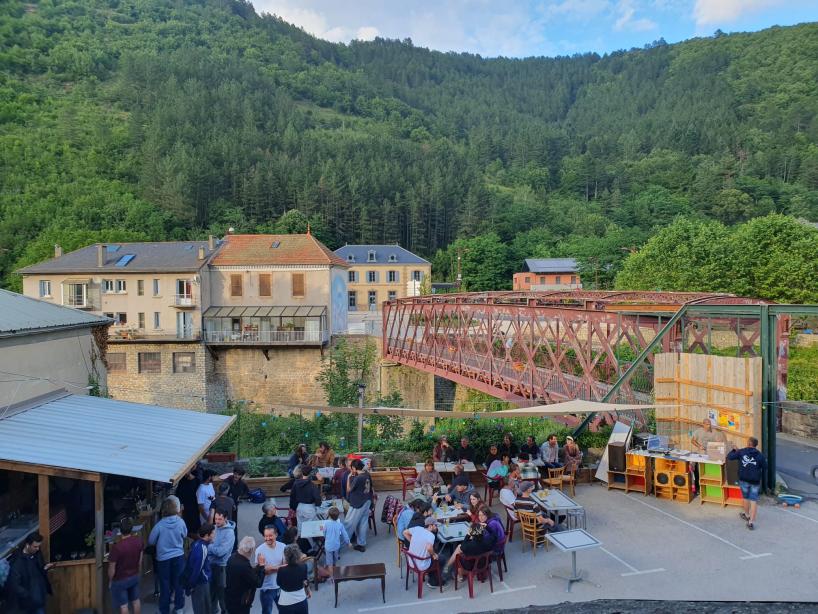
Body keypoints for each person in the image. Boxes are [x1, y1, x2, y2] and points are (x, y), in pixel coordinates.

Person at [149, 496, 189, 614]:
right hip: (178, 556)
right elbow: (185, 534)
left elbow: (151, 541)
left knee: (165, 585)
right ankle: (179, 608)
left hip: (163, 559)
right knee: (178, 583)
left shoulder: (159, 525)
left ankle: (164, 610)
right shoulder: (181, 522)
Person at [7, 532, 53, 614]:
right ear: (27, 545)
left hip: (40, 598)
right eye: (35, 546)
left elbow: (39, 570)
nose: (37, 549)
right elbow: (14, 583)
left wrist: (45, 568)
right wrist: (27, 596)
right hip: (27, 603)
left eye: (39, 546)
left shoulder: (37, 554)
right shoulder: (17, 561)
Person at [727, 437, 767, 530]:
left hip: (743, 479)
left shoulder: (741, 452)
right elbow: (765, 468)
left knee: (745, 498)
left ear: (748, 443)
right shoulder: (760, 455)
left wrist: (734, 450)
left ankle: (746, 514)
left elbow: (729, 457)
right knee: (753, 501)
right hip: (755, 481)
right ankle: (751, 522)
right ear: (755, 445)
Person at [109, 517, 143, 614]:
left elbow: (112, 569)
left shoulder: (117, 548)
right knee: (136, 601)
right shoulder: (139, 542)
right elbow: (140, 561)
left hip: (120, 579)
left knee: (124, 606)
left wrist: (111, 581)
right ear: (131, 528)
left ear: (120, 530)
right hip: (134, 576)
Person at [225, 537, 264, 614]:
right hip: (241, 603)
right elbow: (258, 583)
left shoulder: (232, 557)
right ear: (251, 550)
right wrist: (262, 566)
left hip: (230, 599)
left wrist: (258, 567)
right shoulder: (244, 565)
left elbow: (247, 573)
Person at [208, 510, 236, 614]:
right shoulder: (214, 528)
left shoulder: (229, 533)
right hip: (211, 566)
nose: (217, 522)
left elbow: (221, 552)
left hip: (222, 567)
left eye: (220, 519)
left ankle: (225, 611)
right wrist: (213, 549)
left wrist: (210, 547)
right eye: (215, 519)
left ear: (225, 518)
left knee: (222, 594)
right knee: (211, 593)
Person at [344, 459, 374, 552]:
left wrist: (349, 478)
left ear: (354, 468)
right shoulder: (367, 474)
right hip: (367, 501)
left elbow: (349, 490)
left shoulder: (358, 478)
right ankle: (361, 544)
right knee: (363, 523)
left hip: (358, 503)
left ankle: (341, 543)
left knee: (349, 523)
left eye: (351, 467)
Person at [255, 525, 286, 614]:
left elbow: (286, 567)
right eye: (266, 536)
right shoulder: (259, 550)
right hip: (266, 588)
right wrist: (278, 567)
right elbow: (260, 572)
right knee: (267, 612)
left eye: (270, 535)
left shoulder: (283, 547)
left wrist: (269, 568)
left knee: (284, 611)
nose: (267, 538)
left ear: (276, 535)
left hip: (281, 586)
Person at [289, 467, 322, 548]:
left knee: (300, 528)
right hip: (309, 507)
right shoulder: (311, 485)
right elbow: (317, 497)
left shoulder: (296, 483)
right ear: (310, 474)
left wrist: (293, 507)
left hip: (299, 507)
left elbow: (292, 496)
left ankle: (300, 545)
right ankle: (311, 546)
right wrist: (318, 505)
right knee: (310, 529)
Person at [185, 523, 214, 614]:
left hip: (199, 582)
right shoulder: (202, 549)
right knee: (203, 610)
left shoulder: (196, 544)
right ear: (206, 535)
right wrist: (191, 586)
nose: (214, 535)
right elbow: (197, 569)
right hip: (200, 584)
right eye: (212, 533)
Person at [276, 544, 311, 613]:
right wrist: (308, 590)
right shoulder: (303, 567)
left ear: (286, 556)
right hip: (301, 600)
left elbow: (278, 583)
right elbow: (305, 581)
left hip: (285, 602)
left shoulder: (281, 570)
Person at [322, 506, 350, 572]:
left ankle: (332, 577)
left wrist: (326, 537)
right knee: (335, 558)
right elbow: (345, 534)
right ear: (338, 516)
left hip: (328, 545)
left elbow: (324, 533)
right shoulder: (340, 525)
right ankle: (336, 570)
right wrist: (348, 542)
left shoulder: (326, 523)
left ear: (329, 515)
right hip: (336, 545)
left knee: (329, 562)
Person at [177, 468, 202, 536]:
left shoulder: (197, 481)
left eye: (186, 472)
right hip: (184, 507)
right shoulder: (182, 480)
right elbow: (178, 493)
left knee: (195, 525)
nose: (185, 474)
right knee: (186, 525)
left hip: (194, 506)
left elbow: (200, 494)